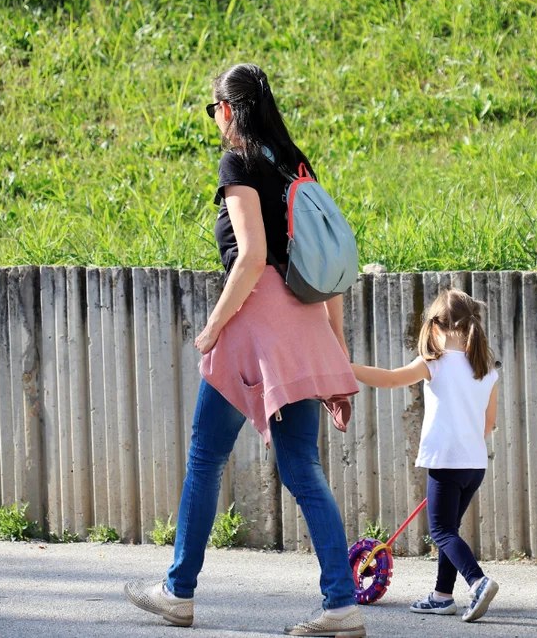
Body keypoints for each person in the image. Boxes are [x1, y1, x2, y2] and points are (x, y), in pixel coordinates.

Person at [125, 63, 365, 638]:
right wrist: (333, 354)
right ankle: (342, 604)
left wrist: (213, 327)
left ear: (228, 111)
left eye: (214, 109)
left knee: (205, 457)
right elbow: (328, 267)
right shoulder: (297, 164)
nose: (215, 120)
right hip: (305, 323)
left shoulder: (237, 163)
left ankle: (179, 592)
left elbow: (252, 256)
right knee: (303, 468)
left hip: (255, 325)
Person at [350, 288, 501, 623]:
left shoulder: (434, 363)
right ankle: (442, 596)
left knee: (441, 530)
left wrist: (347, 368)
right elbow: (488, 423)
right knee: (450, 529)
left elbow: (391, 379)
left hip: (445, 461)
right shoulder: (487, 369)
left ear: (435, 326)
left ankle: (477, 582)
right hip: (474, 465)